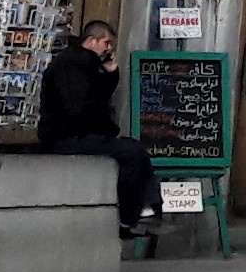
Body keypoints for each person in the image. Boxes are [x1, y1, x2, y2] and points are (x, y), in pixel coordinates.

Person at [35, 19, 162, 232]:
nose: (108, 49)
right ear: (92, 41)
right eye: (106, 43)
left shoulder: (85, 64)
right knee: (132, 152)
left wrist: (111, 74)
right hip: (66, 138)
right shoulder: (72, 65)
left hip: (77, 134)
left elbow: (96, 97)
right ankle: (131, 215)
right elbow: (80, 106)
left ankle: (147, 207)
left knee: (135, 150)